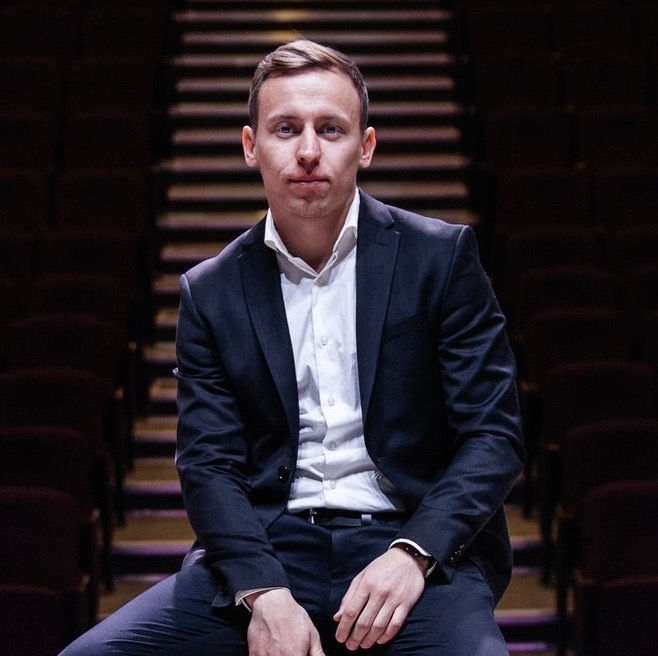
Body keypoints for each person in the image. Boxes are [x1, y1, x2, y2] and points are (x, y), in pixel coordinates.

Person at [60, 39, 524, 656]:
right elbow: (208, 463)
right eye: (286, 129)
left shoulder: (440, 259)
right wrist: (263, 591)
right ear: (251, 146)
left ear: (365, 146)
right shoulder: (211, 291)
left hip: (410, 540)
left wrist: (413, 553)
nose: (308, 150)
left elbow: (493, 436)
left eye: (330, 129)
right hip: (269, 544)